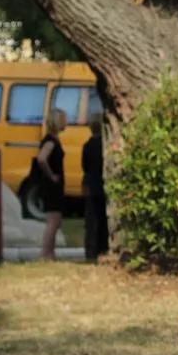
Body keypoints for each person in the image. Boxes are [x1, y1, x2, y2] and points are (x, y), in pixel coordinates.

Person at [37, 108, 66, 260]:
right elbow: (41, 158)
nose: (66, 122)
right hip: (51, 186)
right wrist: (51, 176)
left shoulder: (54, 139)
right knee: (53, 221)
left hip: (55, 186)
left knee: (56, 221)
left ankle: (50, 254)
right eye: (64, 119)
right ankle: (45, 254)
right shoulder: (50, 141)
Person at [82, 112, 109, 261]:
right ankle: (103, 248)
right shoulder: (104, 145)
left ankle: (91, 250)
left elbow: (85, 167)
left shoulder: (87, 145)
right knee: (103, 220)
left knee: (91, 221)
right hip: (102, 184)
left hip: (91, 184)